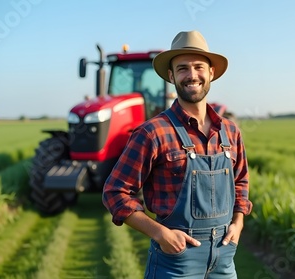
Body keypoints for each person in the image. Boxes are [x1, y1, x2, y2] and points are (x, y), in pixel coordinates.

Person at [102, 30, 252, 278]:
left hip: (225, 260)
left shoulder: (230, 131)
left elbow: (241, 181)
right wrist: (160, 233)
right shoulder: (153, 132)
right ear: (171, 76)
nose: (192, 75)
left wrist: (238, 222)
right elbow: (115, 192)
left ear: (211, 72)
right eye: (182, 68)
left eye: (198, 67)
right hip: (176, 261)